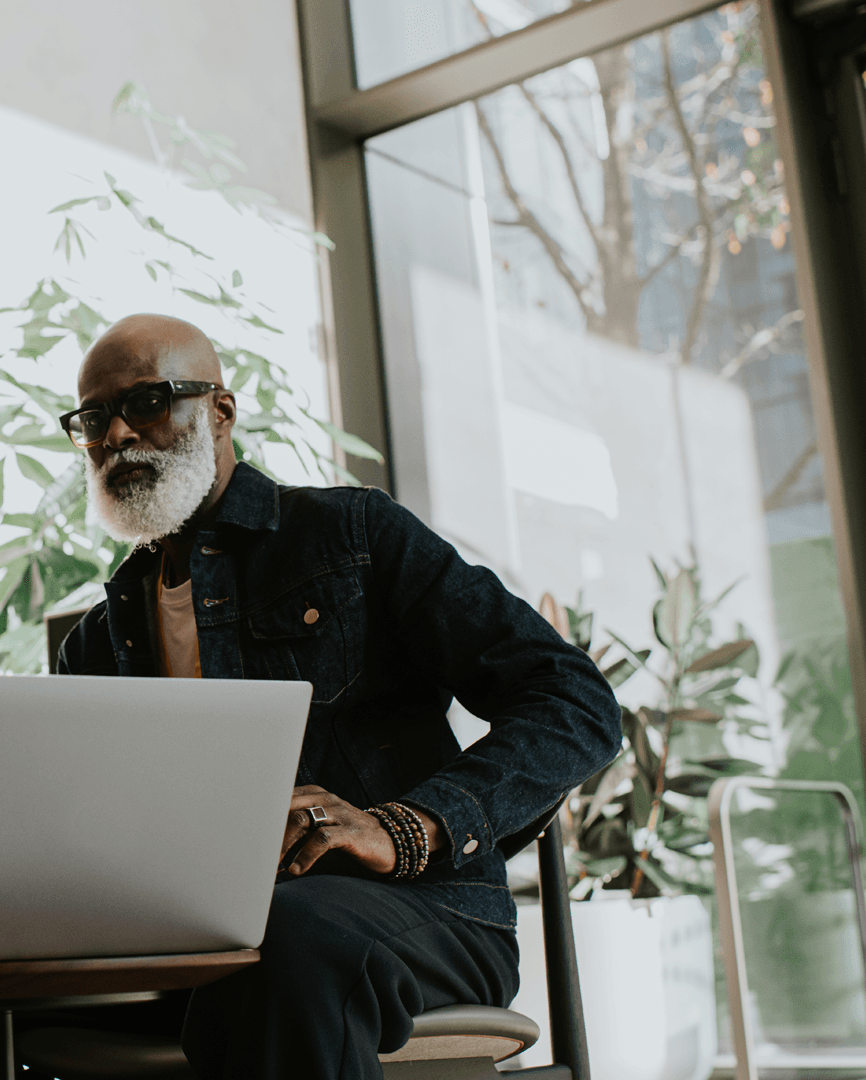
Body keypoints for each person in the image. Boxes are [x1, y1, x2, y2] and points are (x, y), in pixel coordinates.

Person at [51, 313, 622, 1080]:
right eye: (94, 418)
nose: (117, 433)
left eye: (148, 402)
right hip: (199, 940)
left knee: (282, 941)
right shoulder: (94, 641)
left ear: (220, 411)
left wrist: (410, 826)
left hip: (421, 915)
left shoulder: (352, 536)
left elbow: (576, 702)